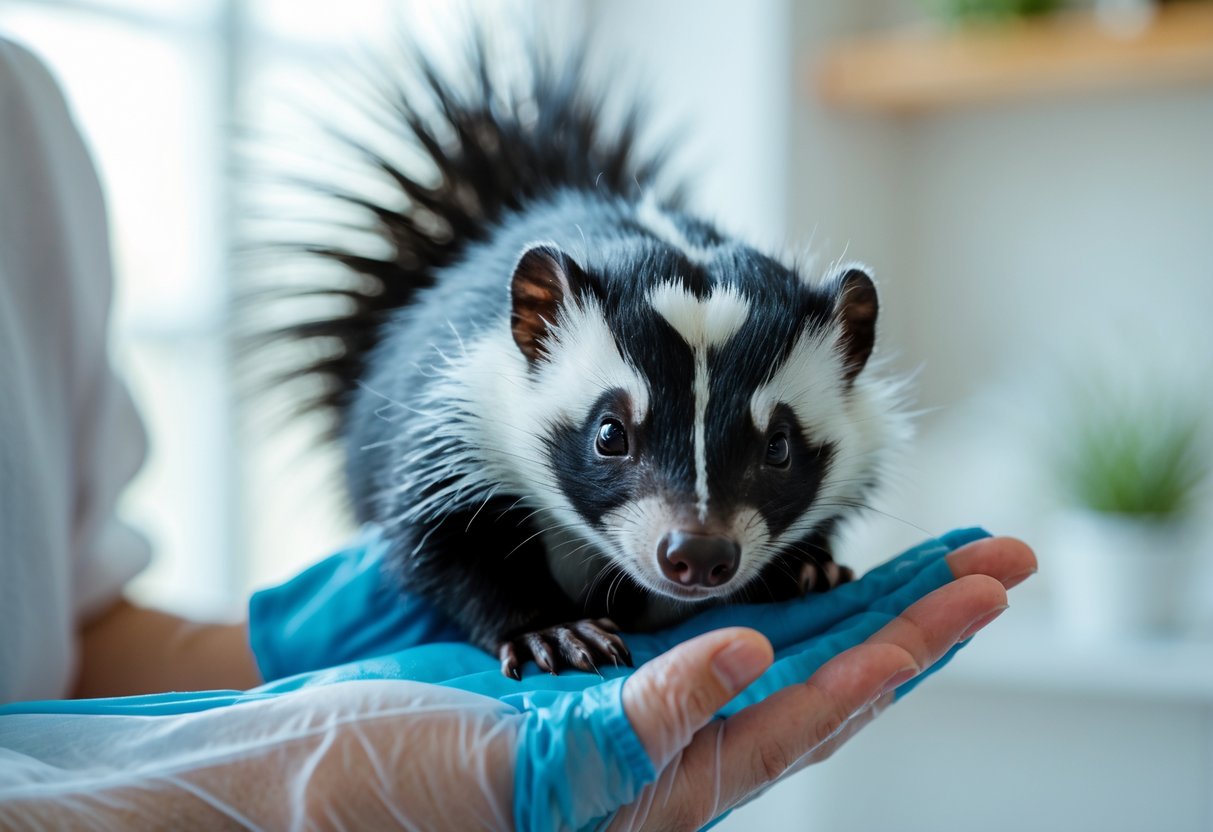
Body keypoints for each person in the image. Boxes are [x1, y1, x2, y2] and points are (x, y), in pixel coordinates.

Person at [0, 36, 1036, 829]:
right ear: (534, 345)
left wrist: (264, 662)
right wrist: (274, 790)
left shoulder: (22, 120)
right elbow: (430, 525)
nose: (696, 529)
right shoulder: (472, 404)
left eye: (769, 455)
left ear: (842, 372)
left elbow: (75, 640)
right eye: (619, 443)